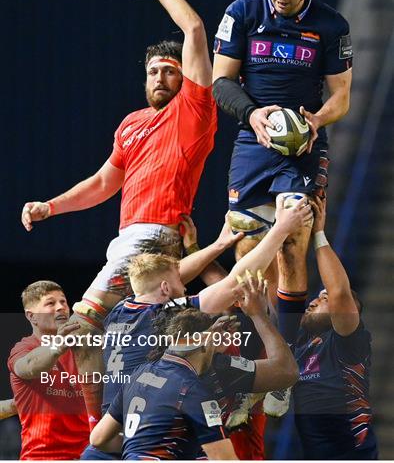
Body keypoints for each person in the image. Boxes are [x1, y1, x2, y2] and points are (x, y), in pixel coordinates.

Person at [20, 0, 216, 426]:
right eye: (153, 72)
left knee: (81, 327)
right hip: (127, 241)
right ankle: (137, 424)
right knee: (131, 342)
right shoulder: (130, 124)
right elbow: (104, 183)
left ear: (184, 78)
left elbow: (193, 28)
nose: (160, 79)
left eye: (170, 71)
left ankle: (97, 433)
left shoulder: (194, 110)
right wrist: (52, 206)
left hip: (152, 241)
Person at [212, 0, 353, 415]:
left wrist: (314, 121)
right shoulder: (243, 11)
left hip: (303, 149)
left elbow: (341, 99)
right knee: (247, 248)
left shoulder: (331, 26)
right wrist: (253, 116)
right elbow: (222, 81)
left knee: (293, 243)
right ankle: (247, 362)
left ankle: (283, 369)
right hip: (254, 143)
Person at [81, 198, 308, 459]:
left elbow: (156, 280)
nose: (186, 286)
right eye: (180, 282)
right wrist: (281, 229)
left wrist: (217, 246)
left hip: (115, 432)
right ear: (166, 290)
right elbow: (235, 284)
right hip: (148, 428)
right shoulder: (163, 319)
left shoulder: (120, 311)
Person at [90, 274, 299, 461]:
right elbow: (286, 372)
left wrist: (140, 451)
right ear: (202, 343)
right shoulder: (194, 391)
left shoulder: (140, 374)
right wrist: (258, 315)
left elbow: (98, 438)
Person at [278, 196, 378, 459]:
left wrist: (319, 233)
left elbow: (339, 294)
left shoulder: (350, 343)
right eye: (318, 296)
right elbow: (275, 287)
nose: (314, 301)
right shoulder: (300, 342)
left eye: (323, 299)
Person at [7, 281, 90, 460]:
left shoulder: (83, 350)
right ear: (32, 316)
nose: (61, 307)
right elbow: (27, 368)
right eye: (50, 303)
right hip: (42, 457)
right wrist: (58, 347)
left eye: (63, 302)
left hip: (88, 456)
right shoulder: (24, 348)